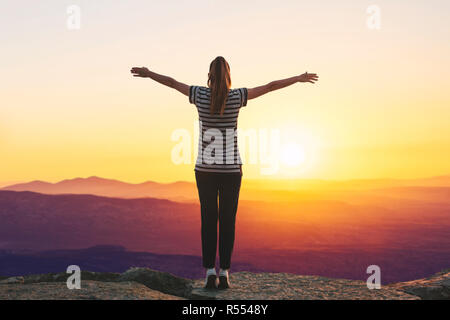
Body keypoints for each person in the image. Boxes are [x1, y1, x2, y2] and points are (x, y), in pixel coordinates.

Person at [131, 56, 318, 289]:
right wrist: (298, 78)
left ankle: (210, 271)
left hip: (205, 170)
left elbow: (171, 82)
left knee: (208, 219)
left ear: (209, 75)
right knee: (228, 220)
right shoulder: (237, 96)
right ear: (229, 75)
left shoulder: (199, 94)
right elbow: (270, 86)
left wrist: (149, 73)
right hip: (231, 170)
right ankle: (225, 272)